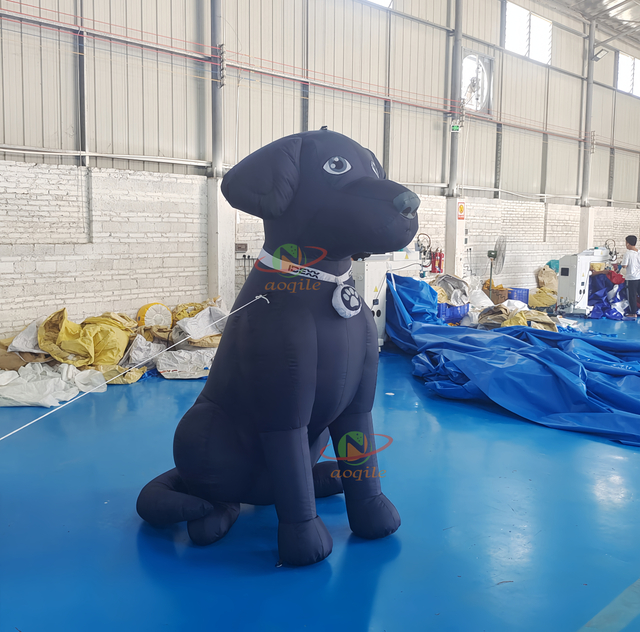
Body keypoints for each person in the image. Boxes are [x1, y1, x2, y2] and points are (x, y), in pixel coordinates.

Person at [621, 235, 640, 318]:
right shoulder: (639, 252)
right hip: (639, 276)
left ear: (628, 243)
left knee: (632, 296)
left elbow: (624, 266)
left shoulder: (627, 253)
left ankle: (633, 313)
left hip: (631, 278)